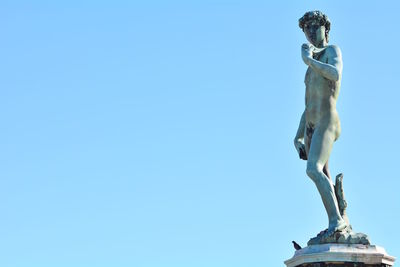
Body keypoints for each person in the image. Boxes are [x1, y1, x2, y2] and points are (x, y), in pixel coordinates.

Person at [294, 11, 347, 237]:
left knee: (313, 169)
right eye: (307, 30)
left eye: (315, 27)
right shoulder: (311, 67)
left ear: (325, 28)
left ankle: (337, 221)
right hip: (311, 125)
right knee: (322, 174)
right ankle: (338, 219)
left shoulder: (330, 52)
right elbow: (309, 104)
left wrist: (310, 60)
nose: (311, 32)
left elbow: (335, 74)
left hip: (327, 120)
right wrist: (297, 136)